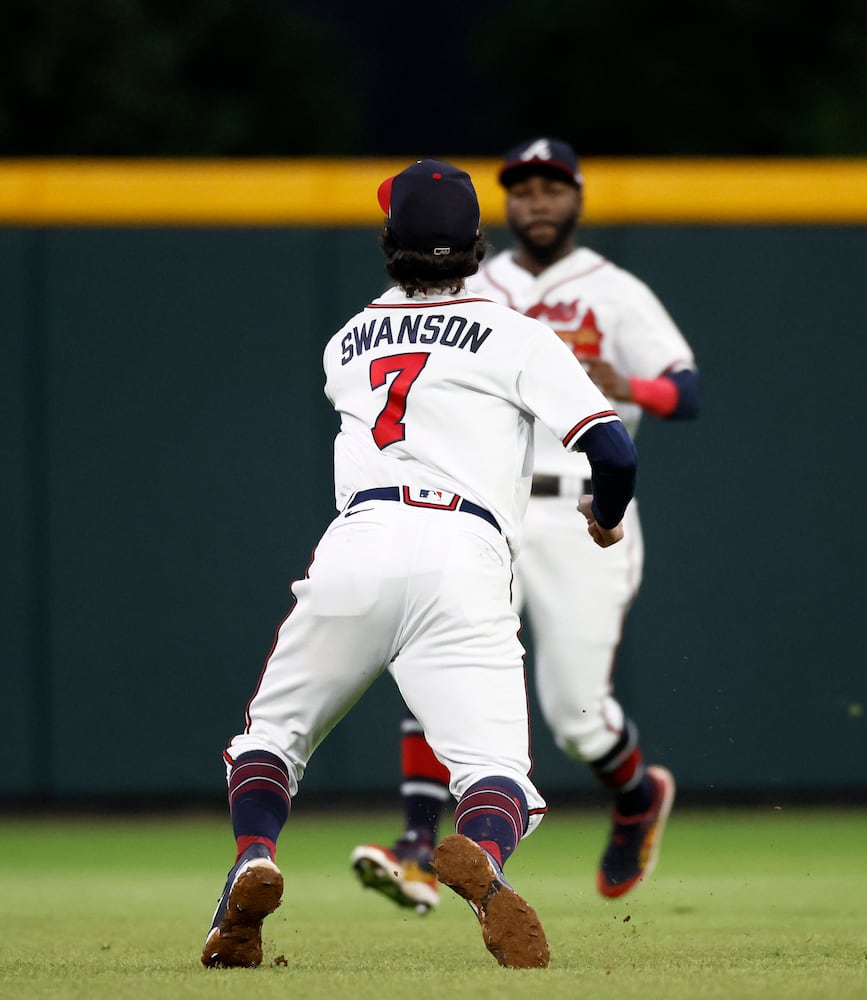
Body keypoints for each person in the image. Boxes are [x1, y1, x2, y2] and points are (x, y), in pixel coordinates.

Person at [200, 158, 638, 971]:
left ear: (385, 241)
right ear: (477, 242)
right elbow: (612, 451)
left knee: (272, 738)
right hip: (465, 556)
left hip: (357, 542)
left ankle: (252, 859)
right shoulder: (515, 333)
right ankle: (479, 852)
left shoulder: (345, 341)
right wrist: (604, 519)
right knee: (495, 775)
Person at [351, 137, 699, 913]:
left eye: (551, 187)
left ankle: (636, 794)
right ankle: (414, 847)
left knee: (576, 718)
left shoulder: (613, 290)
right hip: (488, 504)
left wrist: (630, 384)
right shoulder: (472, 282)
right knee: (434, 654)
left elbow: (687, 388)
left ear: (575, 198)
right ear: (500, 207)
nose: (535, 201)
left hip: (583, 507)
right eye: (522, 189)